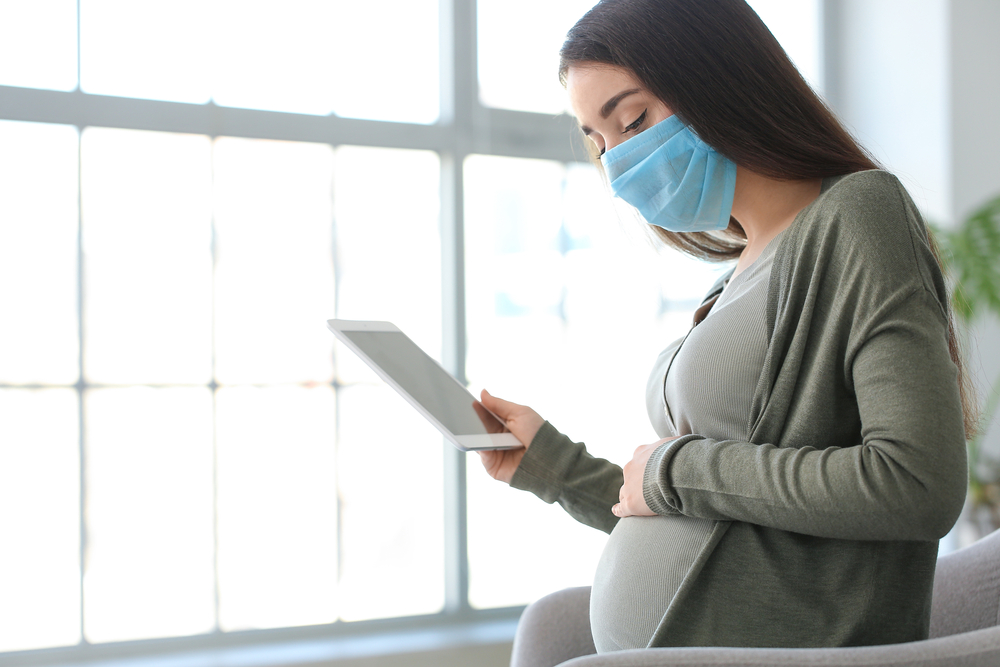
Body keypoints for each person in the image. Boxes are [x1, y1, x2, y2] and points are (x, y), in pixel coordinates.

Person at [475, 0, 976, 655]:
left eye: (632, 120)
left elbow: (917, 485)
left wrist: (675, 470)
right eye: (599, 141)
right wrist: (551, 465)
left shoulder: (858, 215)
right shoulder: (732, 276)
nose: (618, 163)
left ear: (715, 77)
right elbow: (716, 512)